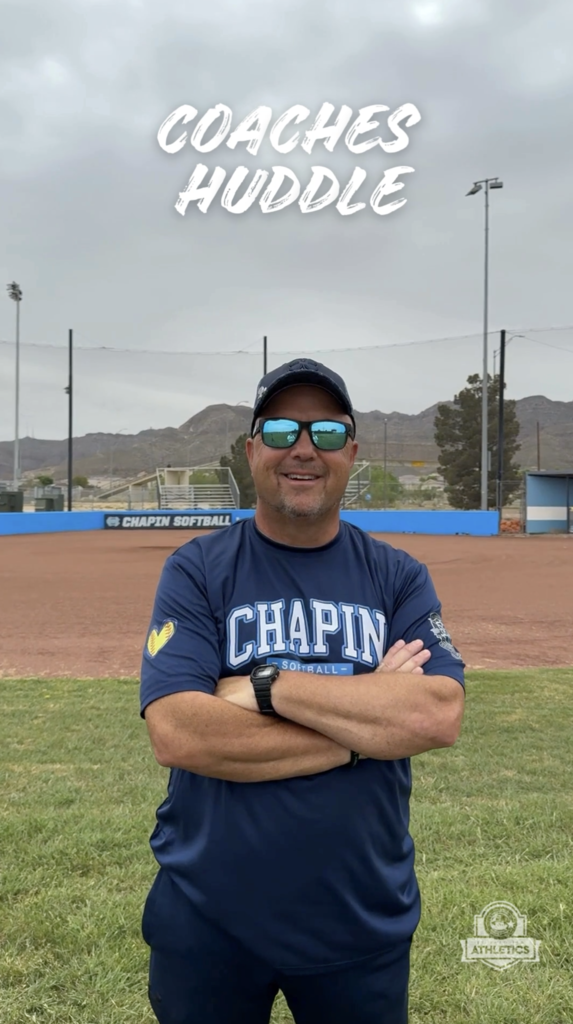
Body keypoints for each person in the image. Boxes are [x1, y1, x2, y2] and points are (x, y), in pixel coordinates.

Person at [139, 357, 465, 1024]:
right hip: (207, 921)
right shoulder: (197, 571)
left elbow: (434, 715)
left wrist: (265, 685)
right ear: (253, 448)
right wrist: (363, 726)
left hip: (359, 919)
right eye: (283, 429)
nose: (303, 449)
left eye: (325, 431)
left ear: (350, 451)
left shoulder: (398, 577)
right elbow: (178, 731)